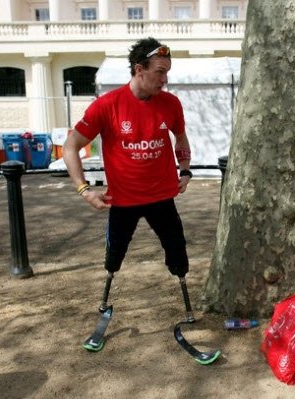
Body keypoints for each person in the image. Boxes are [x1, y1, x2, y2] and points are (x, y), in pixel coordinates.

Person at [63, 37, 193, 350]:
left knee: (178, 253)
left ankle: (187, 305)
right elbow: (71, 147)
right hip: (123, 201)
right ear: (139, 69)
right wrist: (84, 190)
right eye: (160, 72)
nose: (165, 79)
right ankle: (105, 301)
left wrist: (185, 168)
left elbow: (181, 137)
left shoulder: (171, 104)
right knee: (114, 256)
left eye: (167, 72)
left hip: (163, 197)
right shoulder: (107, 105)